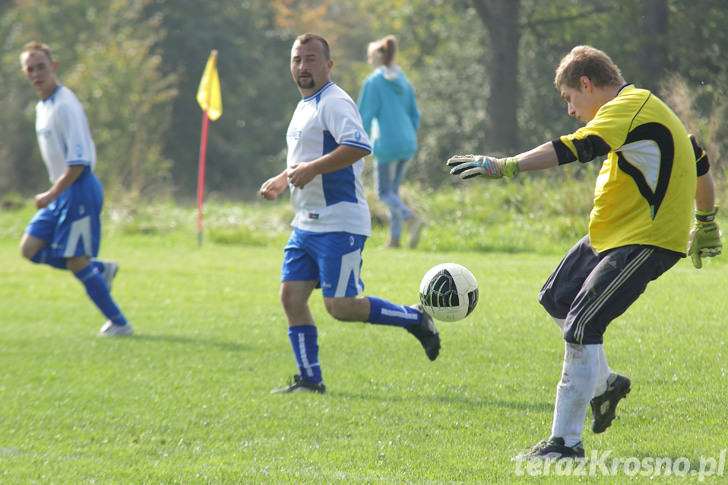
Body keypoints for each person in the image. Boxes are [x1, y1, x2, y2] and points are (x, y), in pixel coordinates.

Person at [447, 45, 721, 459]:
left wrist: (504, 166)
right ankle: (605, 383)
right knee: (556, 298)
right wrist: (706, 221)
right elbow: (698, 160)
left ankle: (565, 444)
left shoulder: (625, 108)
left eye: (569, 98)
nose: (571, 110)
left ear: (587, 84)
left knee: (581, 324)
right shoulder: (643, 109)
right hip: (611, 235)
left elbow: (571, 148)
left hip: (646, 241)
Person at [259, 33, 440, 394]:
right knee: (291, 298)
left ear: (328, 65)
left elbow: (358, 145)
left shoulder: (334, 101)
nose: (302, 66)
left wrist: (312, 170)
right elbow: (304, 158)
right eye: (297, 60)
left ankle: (414, 318)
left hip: (339, 222)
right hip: (306, 224)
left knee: (340, 307)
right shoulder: (304, 105)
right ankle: (310, 379)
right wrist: (283, 179)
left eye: (311, 59)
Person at [19, 41, 132, 337]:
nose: (36, 73)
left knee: (75, 261)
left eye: (41, 66)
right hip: (62, 192)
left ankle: (120, 324)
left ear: (53, 67)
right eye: (30, 69)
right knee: (29, 248)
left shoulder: (66, 104)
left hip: (78, 190)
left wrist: (49, 195)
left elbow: (78, 163)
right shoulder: (43, 106)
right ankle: (100, 269)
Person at [358, 35, 423, 249]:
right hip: (407, 142)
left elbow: (364, 116)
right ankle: (394, 240)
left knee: (384, 193)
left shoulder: (374, 82)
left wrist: (357, 144)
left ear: (378, 57)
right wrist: (407, 135)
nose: (369, 61)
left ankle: (410, 218)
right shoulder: (404, 80)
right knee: (393, 193)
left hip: (386, 143)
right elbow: (415, 114)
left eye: (369, 57)